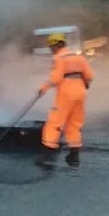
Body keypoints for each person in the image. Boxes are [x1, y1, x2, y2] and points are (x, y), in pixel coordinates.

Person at [37, 32, 94, 167]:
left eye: (52, 47)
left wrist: (43, 88)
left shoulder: (59, 58)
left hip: (65, 94)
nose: (51, 50)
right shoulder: (78, 57)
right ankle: (74, 156)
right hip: (80, 94)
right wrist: (85, 84)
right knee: (74, 124)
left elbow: (55, 78)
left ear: (58, 44)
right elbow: (89, 75)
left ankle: (47, 156)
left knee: (54, 122)